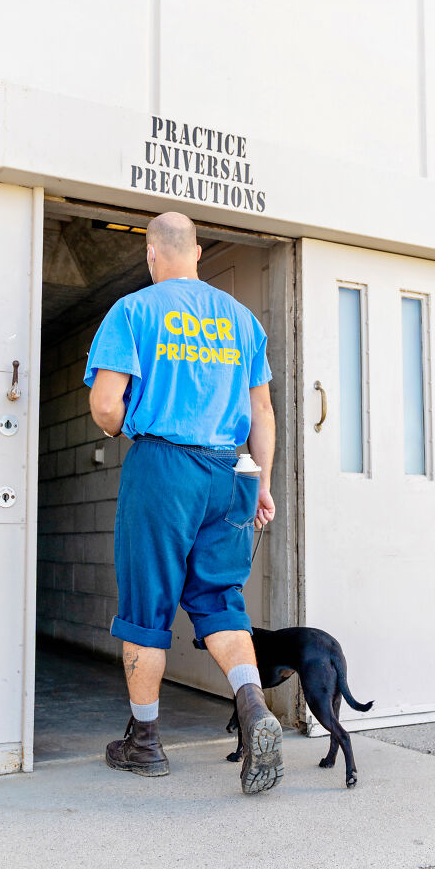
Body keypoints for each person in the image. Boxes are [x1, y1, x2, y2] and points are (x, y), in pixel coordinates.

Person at [84, 211, 282, 795]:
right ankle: (252, 707)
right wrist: (261, 484)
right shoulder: (242, 321)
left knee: (148, 606)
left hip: (164, 466)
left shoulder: (133, 312)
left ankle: (144, 743)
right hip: (231, 471)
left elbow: (104, 405)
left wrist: (126, 429)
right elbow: (263, 413)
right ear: (197, 254)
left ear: (151, 257)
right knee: (220, 599)